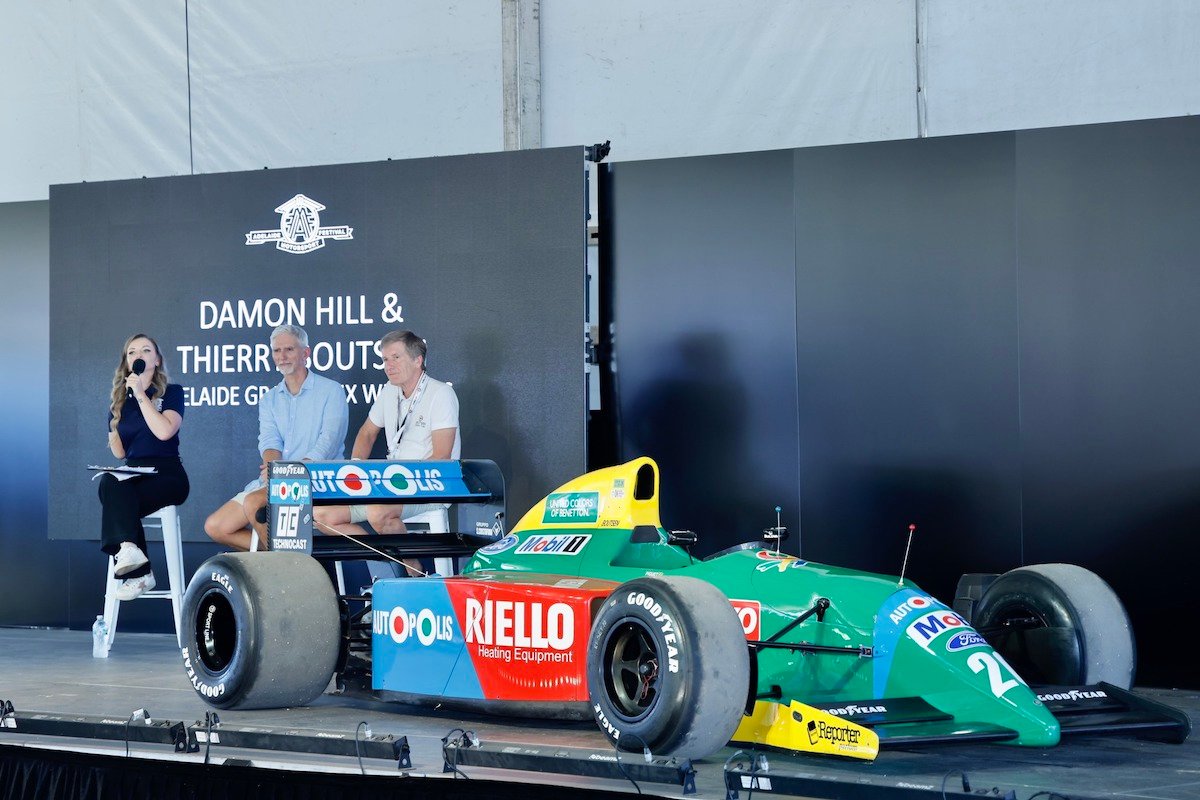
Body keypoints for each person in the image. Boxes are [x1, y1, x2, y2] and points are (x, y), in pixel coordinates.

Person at [315, 330, 459, 575]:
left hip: (432, 484)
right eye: (385, 360)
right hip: (390, 486)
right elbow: (367, 433)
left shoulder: (441, 394)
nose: (388, 366)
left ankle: (414, 572)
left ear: (417, 360)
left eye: (396, 358)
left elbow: (442, 457)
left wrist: (396, 483)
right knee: (320, 515)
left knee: (378, 510)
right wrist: (357, 472)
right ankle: (387, 568)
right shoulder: (388, 391)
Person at [204, 324, 348, 551]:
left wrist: (287, 473)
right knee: (216, 526)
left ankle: (285, 564)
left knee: (254, 503)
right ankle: (288, 560)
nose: (282, 357)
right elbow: (270, 442)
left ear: (306, 353)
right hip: (277, 480)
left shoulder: (332, 390)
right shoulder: (270, 399)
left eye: (289, 349)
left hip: (318, 481)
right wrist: (274, 471)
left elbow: (327, 444)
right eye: (276, 351)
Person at [99, 333, 190, 600]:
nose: (138, 355)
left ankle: (137, 571)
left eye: (145, 350)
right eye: (132, 352)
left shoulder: (172, 392)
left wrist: (140, 395)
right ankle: (131, 552)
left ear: (157, 359)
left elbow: (164, 432)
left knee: (117, 494)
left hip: (167, 473)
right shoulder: (120, 399)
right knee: (109, 482)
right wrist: (114, 419)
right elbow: (120, 454)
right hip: (133, 471)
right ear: (127, 362)